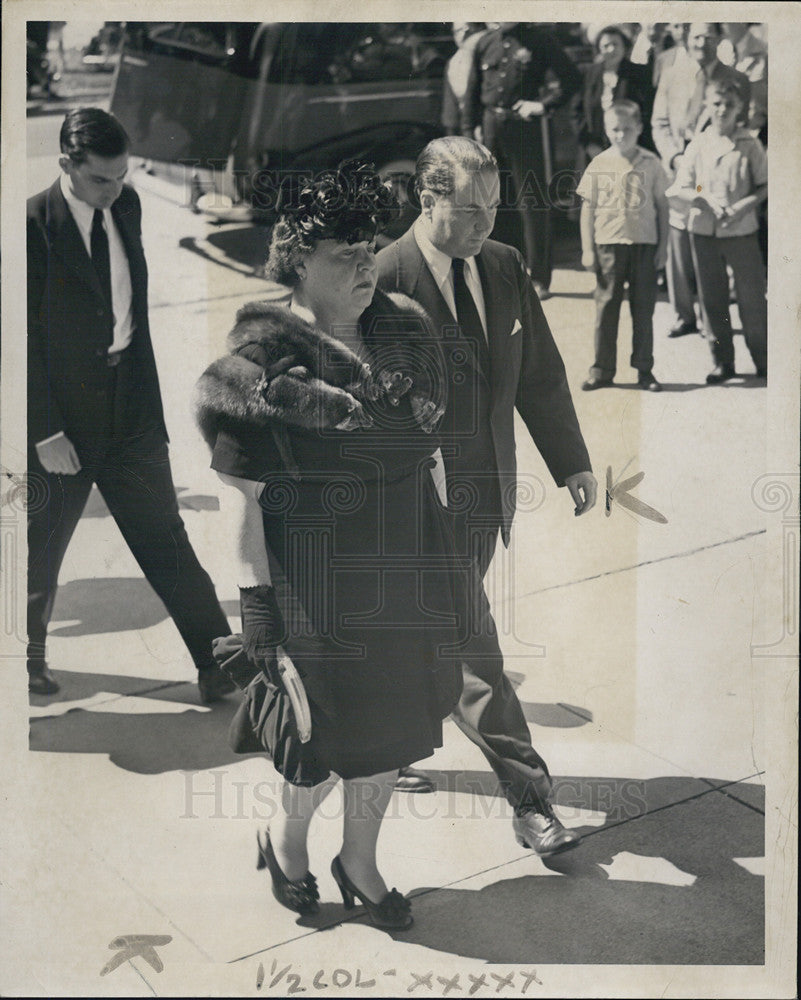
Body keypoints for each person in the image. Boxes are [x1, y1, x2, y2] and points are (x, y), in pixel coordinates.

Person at [194, 160, 465, 927]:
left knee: (393, 731)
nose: (362, 265)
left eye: (367, 246)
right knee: (320, 738)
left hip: (405, 566)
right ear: (293, 260)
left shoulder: (406, 336)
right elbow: (243, 506)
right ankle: (287, 845)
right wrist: (257, 615)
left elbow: (431, 458)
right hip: (312, 585)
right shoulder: (254, 374)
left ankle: (360, 863)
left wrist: (445, 564)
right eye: (341, 252)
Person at [376, 136, 597, 856]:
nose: (484, 224)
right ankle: (530, 800)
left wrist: (569, 462)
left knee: (424, 630)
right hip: (409, 503)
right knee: (477, 649)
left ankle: (388, 739)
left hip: (483, 494)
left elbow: (537, 374)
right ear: (426, 197)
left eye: (494, 208)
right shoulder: (381, 278)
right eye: (468, 210)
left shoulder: (502, 266)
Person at [26, 108, 234, 700]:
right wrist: (44, 431)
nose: (115, 190)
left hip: (130, 412)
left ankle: (220, 665)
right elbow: (14, 338)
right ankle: (26, 660)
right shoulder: (29, 225)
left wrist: (151, 416)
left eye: (122, 177)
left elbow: (131, 313)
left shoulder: (127, 205)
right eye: (101, 179)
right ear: (67, 164)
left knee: (167, 541)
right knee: (41, 552)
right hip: (63, 422)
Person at [462, 22, 583, 299]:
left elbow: (572, 78)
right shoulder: (485, 43)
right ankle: (497, 275)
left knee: (532, 203)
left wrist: (543, 105)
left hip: (524, 128)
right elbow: (472, 94)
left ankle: (539, 278)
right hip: (491, 128)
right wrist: (469, 134)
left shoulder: (539, 40)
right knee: (491, 202)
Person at [652, 23, 751, 339]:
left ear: (720, 38)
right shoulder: (671, 74)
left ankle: (716, 321)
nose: (702, 43)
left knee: (713, 244)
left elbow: (742, 124)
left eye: (709, 36)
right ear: (685, 38)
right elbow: (659, 122)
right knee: (678, 241)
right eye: (696, 36)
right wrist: (674, 158)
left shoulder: (737, 79)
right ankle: (684, 314)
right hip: (681, 170)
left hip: (717, 172)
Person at [665, 80, 767, 383]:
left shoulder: (750, 144)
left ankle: (763, 358)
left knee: (752, 298)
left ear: (740, 110)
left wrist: (743, 206)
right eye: (716, 104)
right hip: (704, 232)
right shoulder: (697, 145)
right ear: (707, 107)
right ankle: (722, 361)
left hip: (741, 231)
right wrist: (702, 197)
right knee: (712, 300)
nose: (722, 110)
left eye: (729, 105)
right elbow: (684, 186)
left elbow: (764, 185)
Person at [578, 101, 668, 392]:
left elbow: (663, 207)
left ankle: (644, 369)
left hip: (644, 245)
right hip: (608, 245)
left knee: (643, 309)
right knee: (606, 308)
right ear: (606, 130)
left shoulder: (652, 163)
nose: (620, 135)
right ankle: (602, 370)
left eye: (627, 129)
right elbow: (587, 209)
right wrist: (588, 249)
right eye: (614, 129)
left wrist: (663, 247)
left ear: (639, 128)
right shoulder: (600, 163)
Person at [573, 24, 656, 158]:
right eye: (606, 46)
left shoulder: (639, 73)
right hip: (595, 152)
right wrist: (589, 144)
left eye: (615, 44)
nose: (611, 49)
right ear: (599, 48)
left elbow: (647, 111)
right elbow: (577, 112)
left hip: (632, 150)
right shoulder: (589, 74)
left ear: (624, 46)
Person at [441, 23, 487, 136]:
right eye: (457, 31)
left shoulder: (487, 53)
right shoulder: (453, 62)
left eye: (469, 29)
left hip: (485, 123)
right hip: (466, 126)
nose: (464, 34)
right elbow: (450, 107)